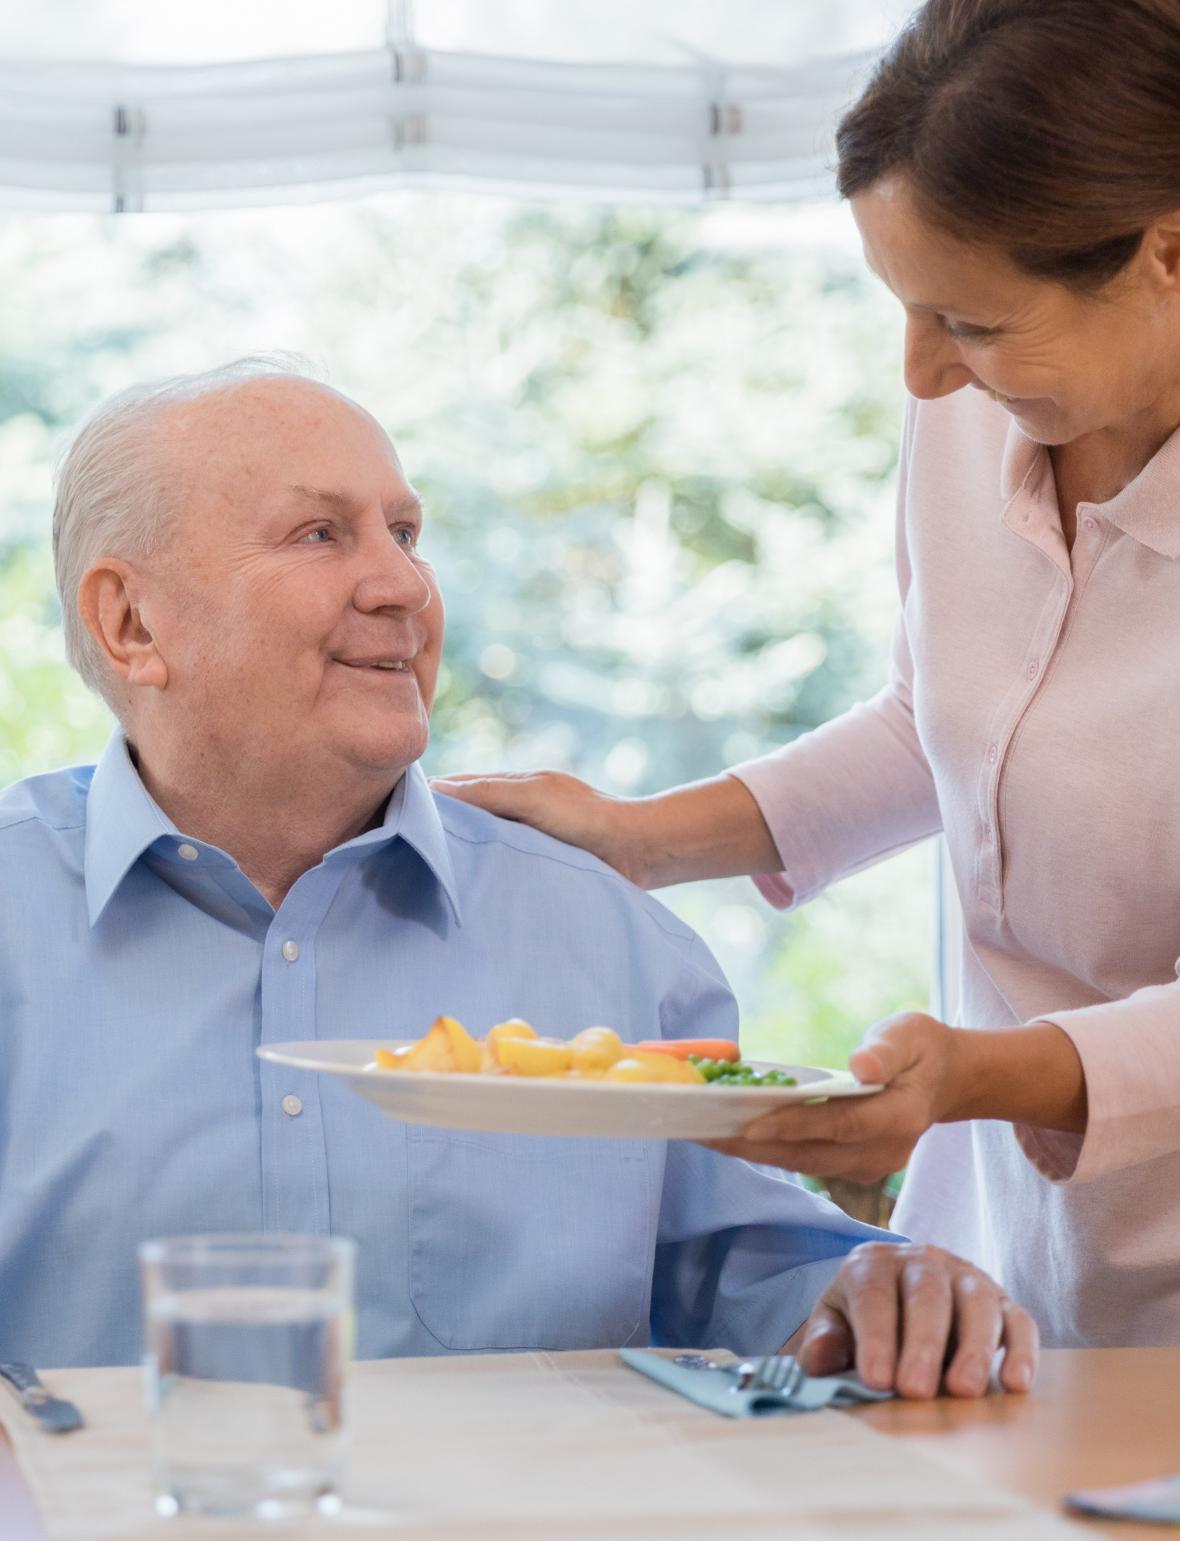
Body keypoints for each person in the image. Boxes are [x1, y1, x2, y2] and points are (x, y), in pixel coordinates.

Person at [0, 358, 1035, 1394]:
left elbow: (742, 1269)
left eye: (404, 534)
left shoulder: (603, 931)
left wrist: (875, 1287)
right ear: (131, 623)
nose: (403, 585)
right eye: (319, 533)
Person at [432, 0, 1180, 1350]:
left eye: (973, 322)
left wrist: (976, 1074)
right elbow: (946, 720)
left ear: (1168, 254)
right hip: (1014, 1249)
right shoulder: (981, 411)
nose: (921, 372)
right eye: (907, 309)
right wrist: (641, 840)